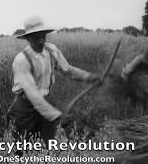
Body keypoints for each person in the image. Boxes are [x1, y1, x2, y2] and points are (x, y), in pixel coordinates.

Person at [6, 16, 100, 153]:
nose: (41, 41)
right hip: (25, 107)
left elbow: (68, 70)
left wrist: (89, 77)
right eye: (36, 37)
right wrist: (55, 115)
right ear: (28, 38)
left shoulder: (51, 51)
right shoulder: (21, 60)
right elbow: (33, 95)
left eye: (43, 36)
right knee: (21, 148)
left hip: (46, 99)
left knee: (48, 145)